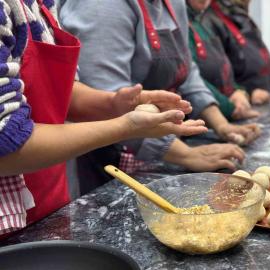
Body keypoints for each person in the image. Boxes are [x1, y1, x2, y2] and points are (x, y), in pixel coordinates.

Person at [0, 0, 208, 236]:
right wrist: (126, 126)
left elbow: (60, 92)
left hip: (48, 203)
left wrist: (113, 104)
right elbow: (6, 142)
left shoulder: (41, 4)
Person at [58, 0, 261, 194]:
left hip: (161, 149)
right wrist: (186, 154)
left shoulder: (174, 3)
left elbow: (187, 71)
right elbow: (108, 101)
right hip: (109, 159)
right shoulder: (101, 6)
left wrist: (221, 124)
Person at [209, 0, 270, 104]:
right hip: (240, 107)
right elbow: (219, 76)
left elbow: (251, 61)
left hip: (261, 99)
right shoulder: (212, 19)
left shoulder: (238, 13)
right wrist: (248, 93)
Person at [187, 0, 259, 120]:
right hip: (203, 120)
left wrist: (239, 92)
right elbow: (191, 80)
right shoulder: (182, 25)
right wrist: (230, 107)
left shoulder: (202, 23)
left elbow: (224, 67)